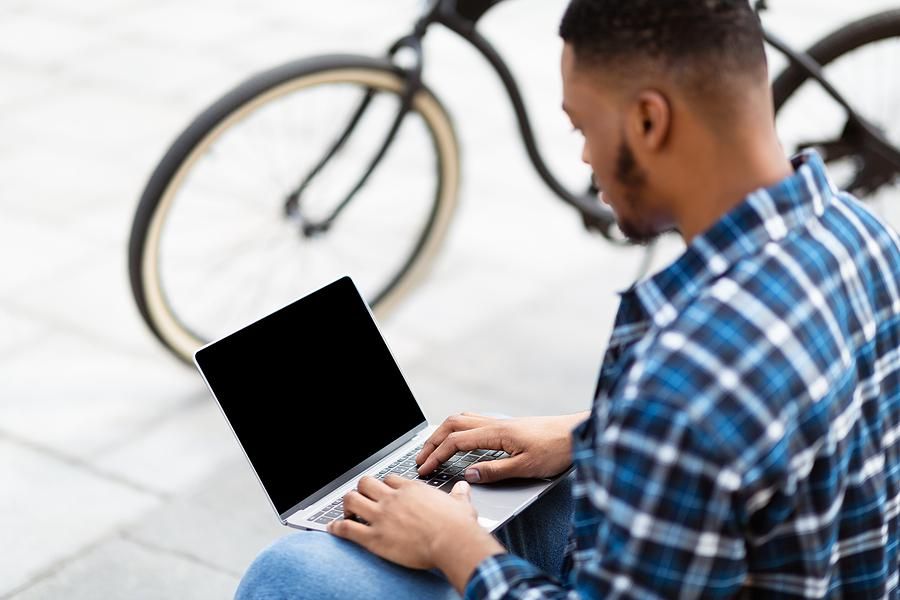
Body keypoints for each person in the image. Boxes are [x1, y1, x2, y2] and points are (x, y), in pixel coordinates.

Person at [236, 0, 900, 597]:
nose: (585, 160)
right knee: (482, 491)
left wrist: (455, 544)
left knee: (291, 575)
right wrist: (594, 433)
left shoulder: (685, 381)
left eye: (583, 127)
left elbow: (701, 409)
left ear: (647, 119)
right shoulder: (860, 235)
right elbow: (765, 439)